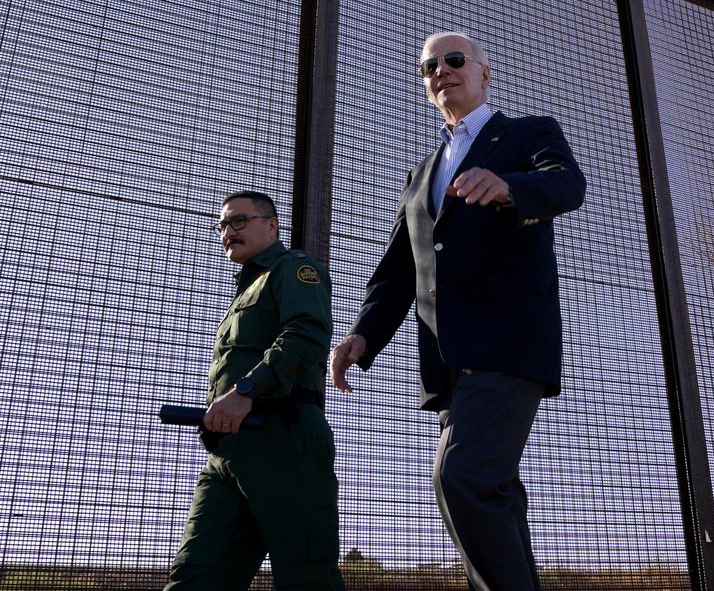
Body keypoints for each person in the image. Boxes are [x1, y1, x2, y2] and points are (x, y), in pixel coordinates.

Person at [330, 32, 585, 591]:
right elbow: (400, 270)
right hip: (448, 364)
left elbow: (567, 184)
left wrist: (508, 186)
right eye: (428, 66)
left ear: (484, 74)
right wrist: (361, 336)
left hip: (509, 343)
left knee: (463, 479)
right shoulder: (421, 175)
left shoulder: (525, 134)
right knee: (486, 493)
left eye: (453, 60)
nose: (440, 71)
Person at [165, 191, 344, 590]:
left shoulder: (294, 269)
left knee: (306, 577)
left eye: (239, 221)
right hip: (230, 451)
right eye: (223, 225)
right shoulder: (245, 289)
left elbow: (306, 335)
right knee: (196, 577)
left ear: (272, 225)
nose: (228, 232)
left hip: (283, 436)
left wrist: (247, 390)